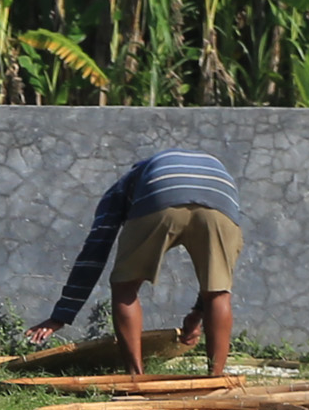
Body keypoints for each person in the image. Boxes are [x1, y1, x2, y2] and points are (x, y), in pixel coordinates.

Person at [25, 148, 243, 374]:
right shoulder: (207, 170)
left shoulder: (122, 187)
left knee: (125, 286)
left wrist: (60, 316)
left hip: (159, 194)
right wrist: (196, 316)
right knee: (218, 291)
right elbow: (215, 276)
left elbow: (95, 250)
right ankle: (216, 377)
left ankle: (135, 375)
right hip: (221, 200)